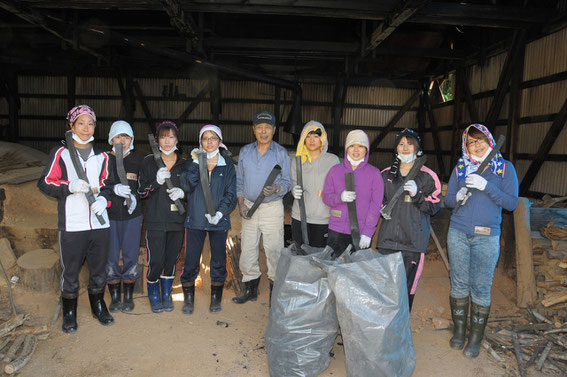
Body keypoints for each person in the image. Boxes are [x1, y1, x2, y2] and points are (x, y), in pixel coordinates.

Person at [38, 105, 114, 333]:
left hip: (100, 222)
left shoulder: (102, 156)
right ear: (71, 125)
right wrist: (68, 186)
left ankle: (98, 305)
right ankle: (69, 311)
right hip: (72, 223)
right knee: (70, 270)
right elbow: (45, 182)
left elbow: (107, 185)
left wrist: (105, 200)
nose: (86, 128)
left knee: (99, 268)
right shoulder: (60, 153)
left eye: (90, 124)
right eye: (81, 123)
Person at [445, 124, 518, 358]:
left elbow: (512, 203)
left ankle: (475, 339)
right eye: (470, 142)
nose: (475, 146)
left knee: (481, 288)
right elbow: (447, 201)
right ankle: (458, 332)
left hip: (487, 237)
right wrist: (456, 196)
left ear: (489, 141)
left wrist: (488, 187)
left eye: (480, 141)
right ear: (465, 145)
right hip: (458, 232)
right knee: (458, 284)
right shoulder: (460, 168)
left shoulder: (505, 169)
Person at [377, 128, 441, 311]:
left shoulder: (428, 176)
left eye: (410, 144)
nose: (405, 148)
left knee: (407, 288)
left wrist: (418, 195)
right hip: (387, 240)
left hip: (413, 242)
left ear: (417, 148)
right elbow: (377, 200)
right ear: (396, 148)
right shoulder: (386, 174)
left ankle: (401, 327)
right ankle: (385, 328)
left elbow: (435, 206)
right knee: (386, 287)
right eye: (401, 144)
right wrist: (380, 208)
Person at [233, 111, 292, 304]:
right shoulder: (245, 152)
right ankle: (251, 289)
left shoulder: (281, 153)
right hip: (249, 206)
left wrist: (277, 188)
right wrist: (241, 204)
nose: (263, 131)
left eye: (267, 128)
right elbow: (239, 181)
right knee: (248, 249)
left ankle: (275, 291)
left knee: (274, 249)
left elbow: (288, 182)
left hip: (271, 207)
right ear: (254, 129)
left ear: (274, 130)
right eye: (259, 127)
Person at [179, 125, 237, 314]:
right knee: (190, 260)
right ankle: (188, 299)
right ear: (200, 141)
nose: (209, 142)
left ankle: (215, 298)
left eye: (213, 138)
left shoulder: (227, 165)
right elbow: (187, 185)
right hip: (195, 219)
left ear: (220, 142)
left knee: (219, 260)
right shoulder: (192, 162)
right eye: (205, 138)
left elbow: (231, 193)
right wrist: (197, 163)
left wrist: (220, 213)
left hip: (219, 221)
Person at [138, 121, 186, 313]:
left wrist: (183, 193)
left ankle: (166, 294)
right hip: (156, 220)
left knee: (171, 259)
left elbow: (192, 189)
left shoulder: (184, 164)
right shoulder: (149, 162)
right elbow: (141, 191)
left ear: (177, 139)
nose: (167, 141)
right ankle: (153, 293)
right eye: (163, 137)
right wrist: (156, 182)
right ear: (157, 139)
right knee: (156, 260)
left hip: (176, 220)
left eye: (171, 137)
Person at [322, 129, 384, 255]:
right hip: (337, 229)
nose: (356, 150)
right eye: (352, 146)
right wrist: (340, 197)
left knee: (356, 271)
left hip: (360, 231)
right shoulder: (335, 170)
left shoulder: (374, 173)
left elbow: (375, 205)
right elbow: (326, 197)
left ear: (366, 149)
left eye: (361, 146)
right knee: (334, 269)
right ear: (346, 149)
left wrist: (368, 232)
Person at [105, 121, 142, 313]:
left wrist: (136, 197)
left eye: (126, 137)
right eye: (118, 136)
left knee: (130, 254)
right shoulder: (102, 160)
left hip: (132, 216)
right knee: (110, 255)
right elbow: (97, 186)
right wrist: (112, 189)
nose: (122, 141)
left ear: (131, 140)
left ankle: (128, 295)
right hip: (108, 216)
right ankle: (114, 296)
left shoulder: (137, 161)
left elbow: (143, 188)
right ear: (111, 138)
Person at [290, 121, 339, 247]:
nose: (312, 140)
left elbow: (337, 188)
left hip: (323, 219)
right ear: (303, 139)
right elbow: (293, 183)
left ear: (322, 139)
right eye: (308, 136)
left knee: (319, 260)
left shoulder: (332, 161)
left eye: (316, 136)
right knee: (300, 258)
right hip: (300, 217)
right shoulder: (297, 160)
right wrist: (293, 190)